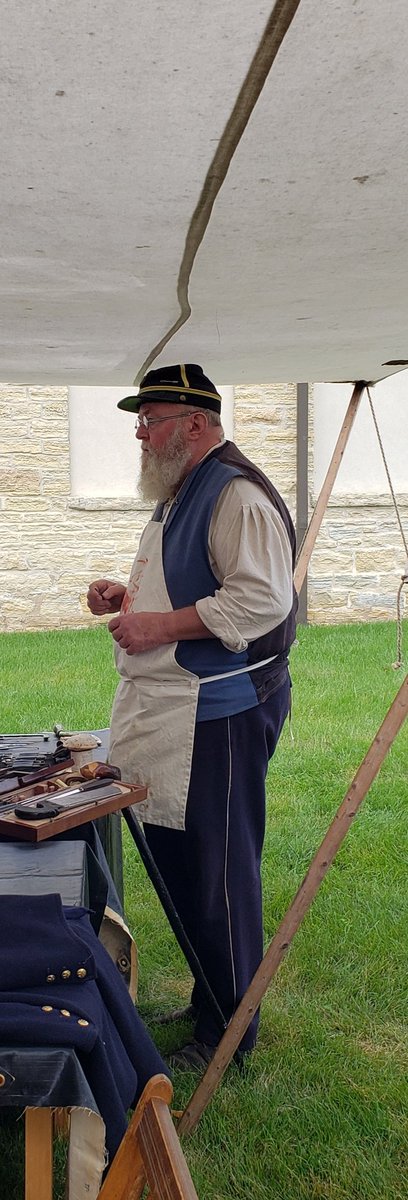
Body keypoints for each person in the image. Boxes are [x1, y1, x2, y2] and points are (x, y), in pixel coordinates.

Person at [87, 363, 298, 1070]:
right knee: (183, 868)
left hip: (221, 715)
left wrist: (157, 627)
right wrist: (131, 595)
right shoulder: (178, 494)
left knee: (220, 876)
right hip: (177, 713)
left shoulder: (234, 496)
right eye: (140, 420)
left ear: (197, 424)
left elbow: (262, 601)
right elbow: (195, 581)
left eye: (152, 419)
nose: (141, 433)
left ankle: (230, 1034)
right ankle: (213, 997)